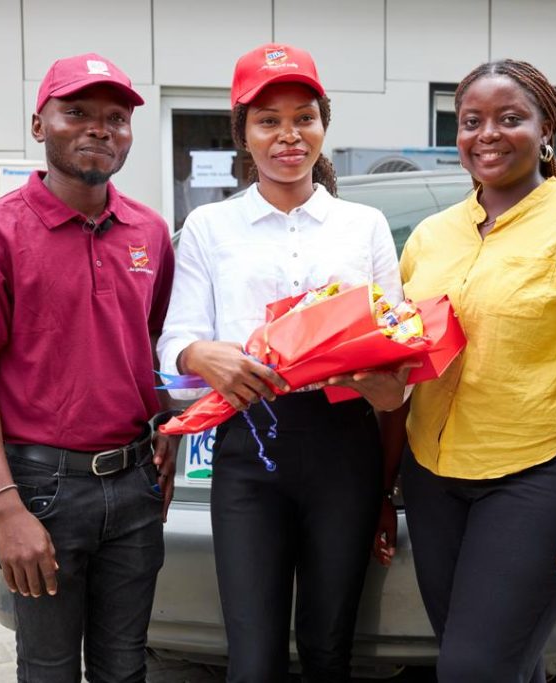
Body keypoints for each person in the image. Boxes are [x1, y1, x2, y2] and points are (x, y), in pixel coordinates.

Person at [389, 59, 556, 682]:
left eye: (510, 119)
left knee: (470, 670)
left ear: (545, 130)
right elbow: (404, 360)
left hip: (536, 477)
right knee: (501, 661)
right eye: (471, 121)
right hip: (431, 476)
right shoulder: (430, 237)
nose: (487, 134)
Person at [157, 43, 409, 683]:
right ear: (242, 133)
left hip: (343, 449)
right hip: (248, 451)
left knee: (329, 648)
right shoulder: (211, 227)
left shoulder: (364, 225)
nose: (288, 136)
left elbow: (398, 342)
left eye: (305, 117)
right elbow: (174, 342)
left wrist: (387, 384)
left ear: (325, 125)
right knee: (253, 654)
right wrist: (200, 354)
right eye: (268, 121)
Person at [0, 53, 179, 682]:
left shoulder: (151, 233)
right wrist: (5, 508)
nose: (100, 128)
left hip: (134, 486)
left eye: (116, 117)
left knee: (126, 667)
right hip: (40, 490)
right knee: (48, 670)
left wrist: (168, 435)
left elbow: (151, 348)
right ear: (38, 124)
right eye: (76, 112)